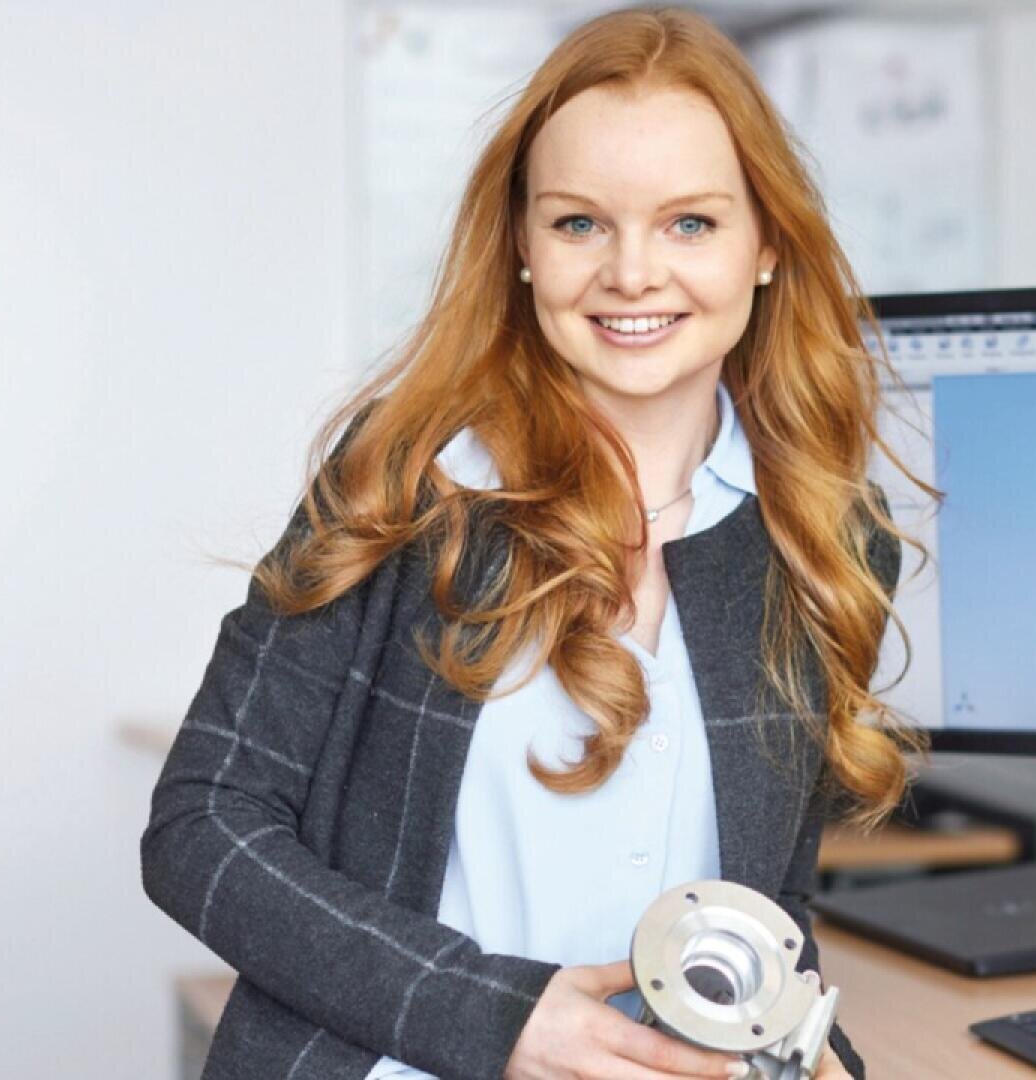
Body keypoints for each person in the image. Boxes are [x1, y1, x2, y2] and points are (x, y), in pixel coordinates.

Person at [141, 8, 927, 1079]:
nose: (633, 274)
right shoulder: (406, 483)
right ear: (521, 243)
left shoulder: (826, 540)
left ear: (766, 245)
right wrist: (493, 1016)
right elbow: (203, 828)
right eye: (579, 224)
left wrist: (808, 1050)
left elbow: (763, 909)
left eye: (691, 223)